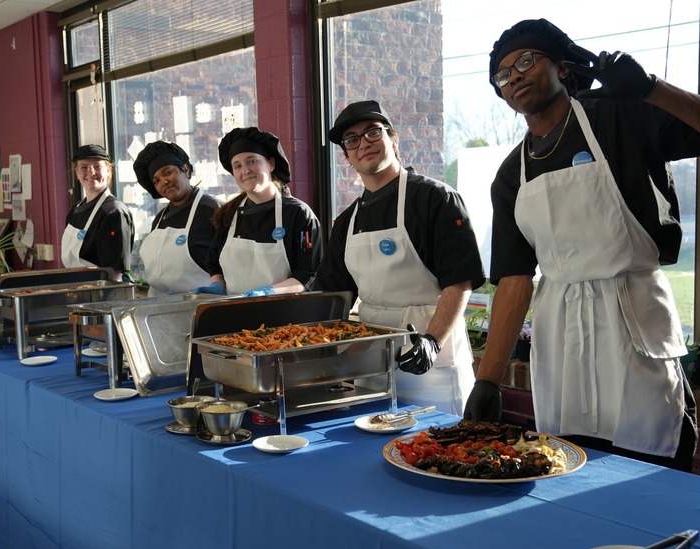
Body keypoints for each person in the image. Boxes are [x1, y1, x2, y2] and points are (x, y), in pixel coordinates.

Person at [464, 18, 700, 471]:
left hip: (632, 320)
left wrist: (650, 89)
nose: (515, 76)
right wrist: (488, 380)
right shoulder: (511, 176)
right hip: (560, 337)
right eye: (503, 75)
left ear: (563, 68)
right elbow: (514, 280)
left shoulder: (621, 115)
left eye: (526, 61)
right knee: (566, 466)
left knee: (650, 462)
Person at [313, 101, 486, 415]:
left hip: (431, 359)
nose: (363, 143)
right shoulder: (347, 221)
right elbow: (330, 295)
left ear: (393, 139)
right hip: (371, 363)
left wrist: (433, 340)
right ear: (347, 157)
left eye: (372, 132)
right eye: (352, 140)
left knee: (439, 451)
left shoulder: (436, 198)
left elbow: (459, 282)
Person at [196, 126, 321, 296]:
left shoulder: (298, 214)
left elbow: (308, 274)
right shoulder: (229, 215)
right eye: (237, 166)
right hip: (232, 314)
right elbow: (214, 263)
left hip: (285, 316)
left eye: (252, 161)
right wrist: (217, 284)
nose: (245, 170)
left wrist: (268, 292)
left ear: (271, 164)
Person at [133, 140, 221, 296]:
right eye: (157, 180)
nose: (164, 182)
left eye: (167, 173)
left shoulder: (211, 210)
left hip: (199, 306)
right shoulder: (160, 218)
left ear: (185, 169)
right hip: (157, 309)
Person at [61, 144, 134, 278]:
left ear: (108, 170)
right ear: (76, 173)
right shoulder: (75, 211)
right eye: (84, 167)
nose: (91, 172)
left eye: (97, 166)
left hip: (103, 292)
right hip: (77, 288)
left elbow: (115, 272)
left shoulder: (114, 213)